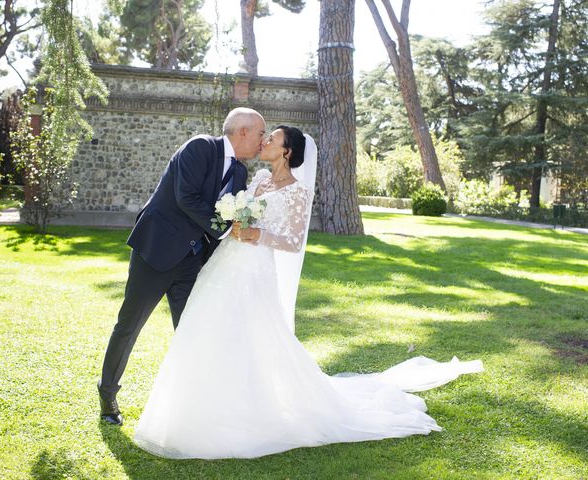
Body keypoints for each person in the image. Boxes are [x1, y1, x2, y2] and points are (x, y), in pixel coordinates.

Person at [132, 126, 484, 459]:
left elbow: (294, 241)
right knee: (209, 330)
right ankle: (202, 403)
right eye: (265, 135)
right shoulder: (256, 179)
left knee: (252, 336)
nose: (265, 140)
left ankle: (248, 406)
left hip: (254, 270)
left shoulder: (297, 191)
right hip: (225, 264)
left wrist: (258, 236)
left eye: (273, 138)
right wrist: (235, 225)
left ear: (286, 151)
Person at [97, 108, 267, 426]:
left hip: (193, 260)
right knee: (129, 325)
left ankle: (195, 404)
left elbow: (225, 217)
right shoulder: (200, 147)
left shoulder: (241, 175)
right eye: (261, 133)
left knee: (193, 329)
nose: (263, 140)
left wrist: (221, 257)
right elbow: (186, 197)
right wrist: (230, 229)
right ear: (243, 131)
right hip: (156, 251)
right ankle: (107, 395)